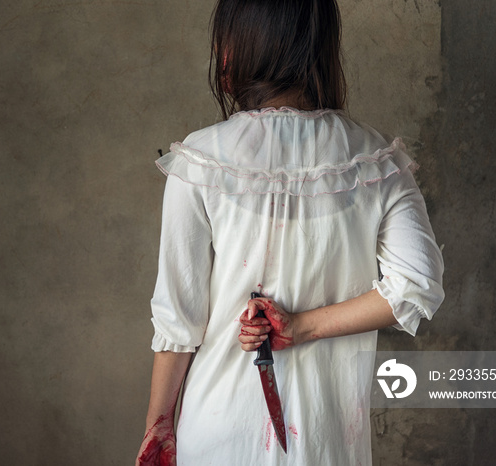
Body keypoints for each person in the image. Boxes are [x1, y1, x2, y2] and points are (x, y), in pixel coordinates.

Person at [135, 0, 444, 464]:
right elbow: (417, 285)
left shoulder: (199, 162)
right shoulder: (376, 161)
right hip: (328, 440)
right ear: (321, 47)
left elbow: (179, 322)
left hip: (218, 433)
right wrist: (302, 327)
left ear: (233, 49)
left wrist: (157, 426)